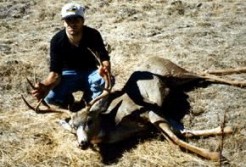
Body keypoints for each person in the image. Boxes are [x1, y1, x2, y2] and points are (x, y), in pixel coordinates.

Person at [31, 3, 111, 110]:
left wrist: (105, 70)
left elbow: (104, 58)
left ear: (83, 21)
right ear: (64, 23)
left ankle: (88, 102)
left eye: (76, 20)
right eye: (68, 20)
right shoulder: (57, 40)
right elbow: (55, 73)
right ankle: (69, 102)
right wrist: (45, 86)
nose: (72, 24)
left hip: (91, 72)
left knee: (105, 80)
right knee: (50, 98)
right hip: (68, 75)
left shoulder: (93, 34)